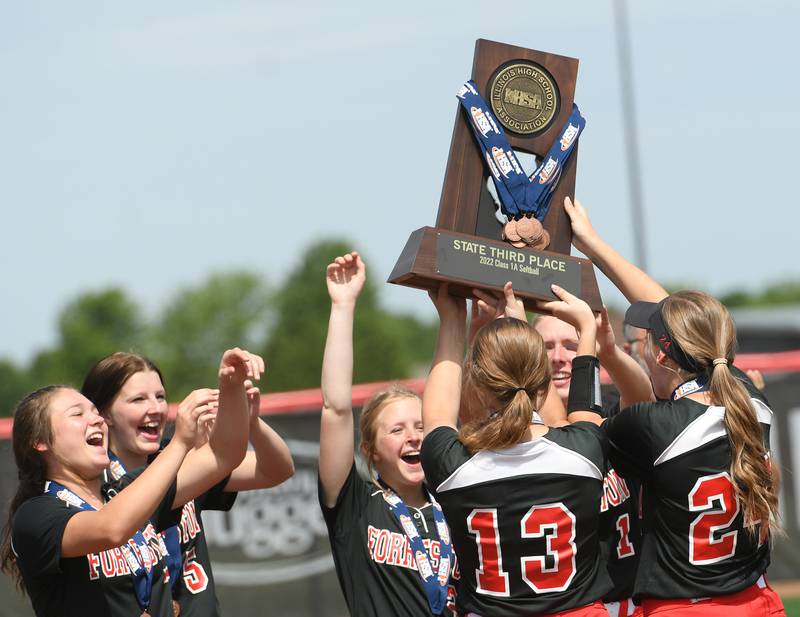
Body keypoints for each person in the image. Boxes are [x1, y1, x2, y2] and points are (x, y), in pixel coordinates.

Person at [563, 196, 786, 616]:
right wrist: (592, 244)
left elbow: (580, 433)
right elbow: (680, 318)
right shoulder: (748, 398)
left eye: (646, 343)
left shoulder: (653, 425)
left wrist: (589, 346)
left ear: (663, 357)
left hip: (684, 609)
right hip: (757, 604)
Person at [0, 349, 253, 617]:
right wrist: (180, 443)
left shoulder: (126, 489)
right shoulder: (36, 514)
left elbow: (225, 455)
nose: (96, 418)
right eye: (77, 414)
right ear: (40, 442)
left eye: (95, 411)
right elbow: (111, 528)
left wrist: (231, 386)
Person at [421, 281, 613, 616]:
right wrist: (585, 330)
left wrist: (452, 319)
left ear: (478, 385)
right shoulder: (584, 451)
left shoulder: (454, 464)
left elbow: (438, 414)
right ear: (545, 382)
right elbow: (579, 413)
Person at [81, 349, 294, 617]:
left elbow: (276, 470)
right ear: (105, 415)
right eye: (138, 399)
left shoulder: (183, 460)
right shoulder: (94, 488)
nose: (155, 408)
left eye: (160, 397)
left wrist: (251, 423)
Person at [318, 251, 457, 617]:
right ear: (371, 450)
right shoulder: (357, 507)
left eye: (420, 426)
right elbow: (335, 408)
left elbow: (452, 399)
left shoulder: (455, 502)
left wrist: (452, 318)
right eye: (396, 430)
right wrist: (343, 306)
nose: (413, 437)